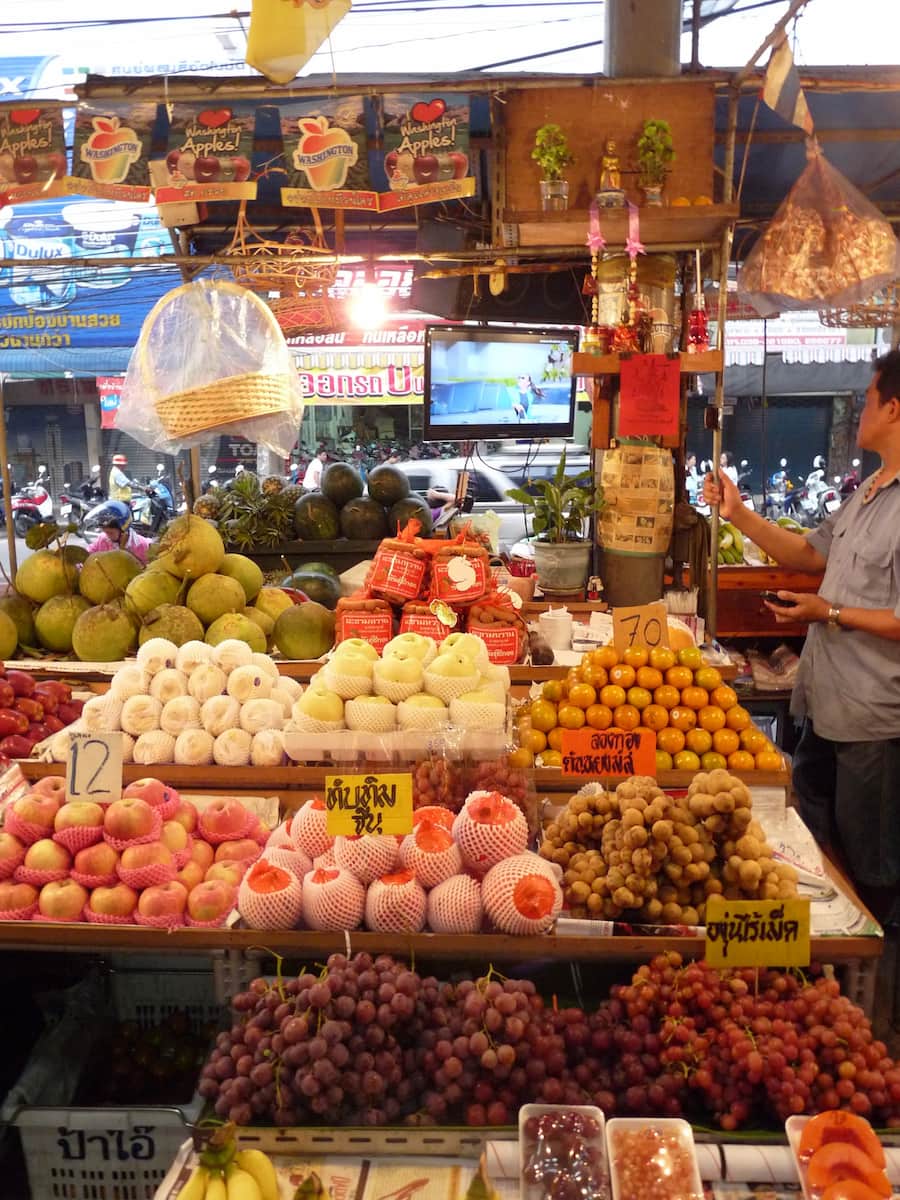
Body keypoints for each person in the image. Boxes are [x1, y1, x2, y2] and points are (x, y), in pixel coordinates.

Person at [703, 350, 900, 927]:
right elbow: (808, 553)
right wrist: (737, 513)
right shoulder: (869, 489)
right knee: (822, 854)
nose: (860, 409)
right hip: (825, 705)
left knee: (873, 870)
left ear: (894, 408)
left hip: (874, 723)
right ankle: (830, 962)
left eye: (867, 399)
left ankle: (877, 997)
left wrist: (829, 612)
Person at [86, 500, 150, 565]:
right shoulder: (102, 539)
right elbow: (87, 555)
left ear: (123, 531)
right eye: (105, 532)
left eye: (110, 533)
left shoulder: (143, 545)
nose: (107, 536)